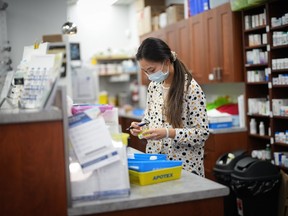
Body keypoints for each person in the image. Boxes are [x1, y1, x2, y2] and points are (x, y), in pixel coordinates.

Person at [128, 37, 210, 177]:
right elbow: (149, 119)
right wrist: (140, 127)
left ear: (166, 62)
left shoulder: (191, 89)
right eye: (145, 71)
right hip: (156, 164)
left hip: (183, 168)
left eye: (151, 69)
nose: (149, 75)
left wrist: (168, 133)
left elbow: (201, 134)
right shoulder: (154, 87)